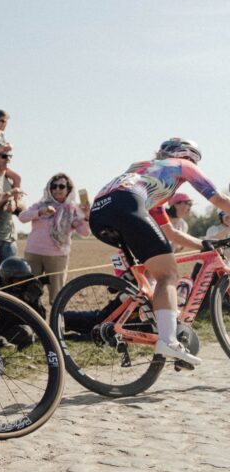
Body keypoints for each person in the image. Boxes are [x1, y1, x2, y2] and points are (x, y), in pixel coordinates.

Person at [88, 138, 230, 369]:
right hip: (127, 205)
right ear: (189, 156)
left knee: (154, 274)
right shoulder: (182, 165)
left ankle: (154, 320)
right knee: (169, 275)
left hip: (100, 213)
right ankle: (168, 340)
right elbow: (220, 200)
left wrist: (204, 245)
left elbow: (170, 232)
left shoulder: (149, 174)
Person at [18, 173, 91, 303]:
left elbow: (85, 233)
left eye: (61, 186)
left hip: (57, 257)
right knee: (28, 293)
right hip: (33, 254)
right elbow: (22, 217)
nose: (57, 189)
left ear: (68, 189)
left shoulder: (73, 210)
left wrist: (86, 216)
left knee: (57, 296)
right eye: (54, 186)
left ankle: (55, 316)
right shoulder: (40, 205)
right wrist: (40, 212)